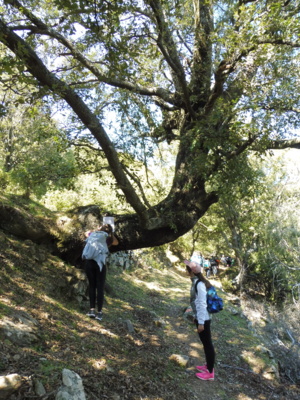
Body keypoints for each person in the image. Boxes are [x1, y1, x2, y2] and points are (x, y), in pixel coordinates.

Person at [184, 259, 215, 381]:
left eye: (187, 269)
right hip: (201, 317)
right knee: (206, 343)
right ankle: (208, 365)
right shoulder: (197, 282)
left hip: (205, 319)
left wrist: (201, 322)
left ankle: (210, 373)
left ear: (191, 271)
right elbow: (196, 303)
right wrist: (196, 318)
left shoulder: (199, 284)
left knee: (208, 344)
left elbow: (202, 304)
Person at [83, 224, 119, 321]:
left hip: (89, 263)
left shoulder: (92, 235)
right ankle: (99, 313)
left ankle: (91, 310)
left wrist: (96, 230)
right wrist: (112, 232)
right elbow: (116, 242)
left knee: (92, 286)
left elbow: (86, 233)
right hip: (100, 264)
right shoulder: (107, 239)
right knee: (100, 287)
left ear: (100, 229)